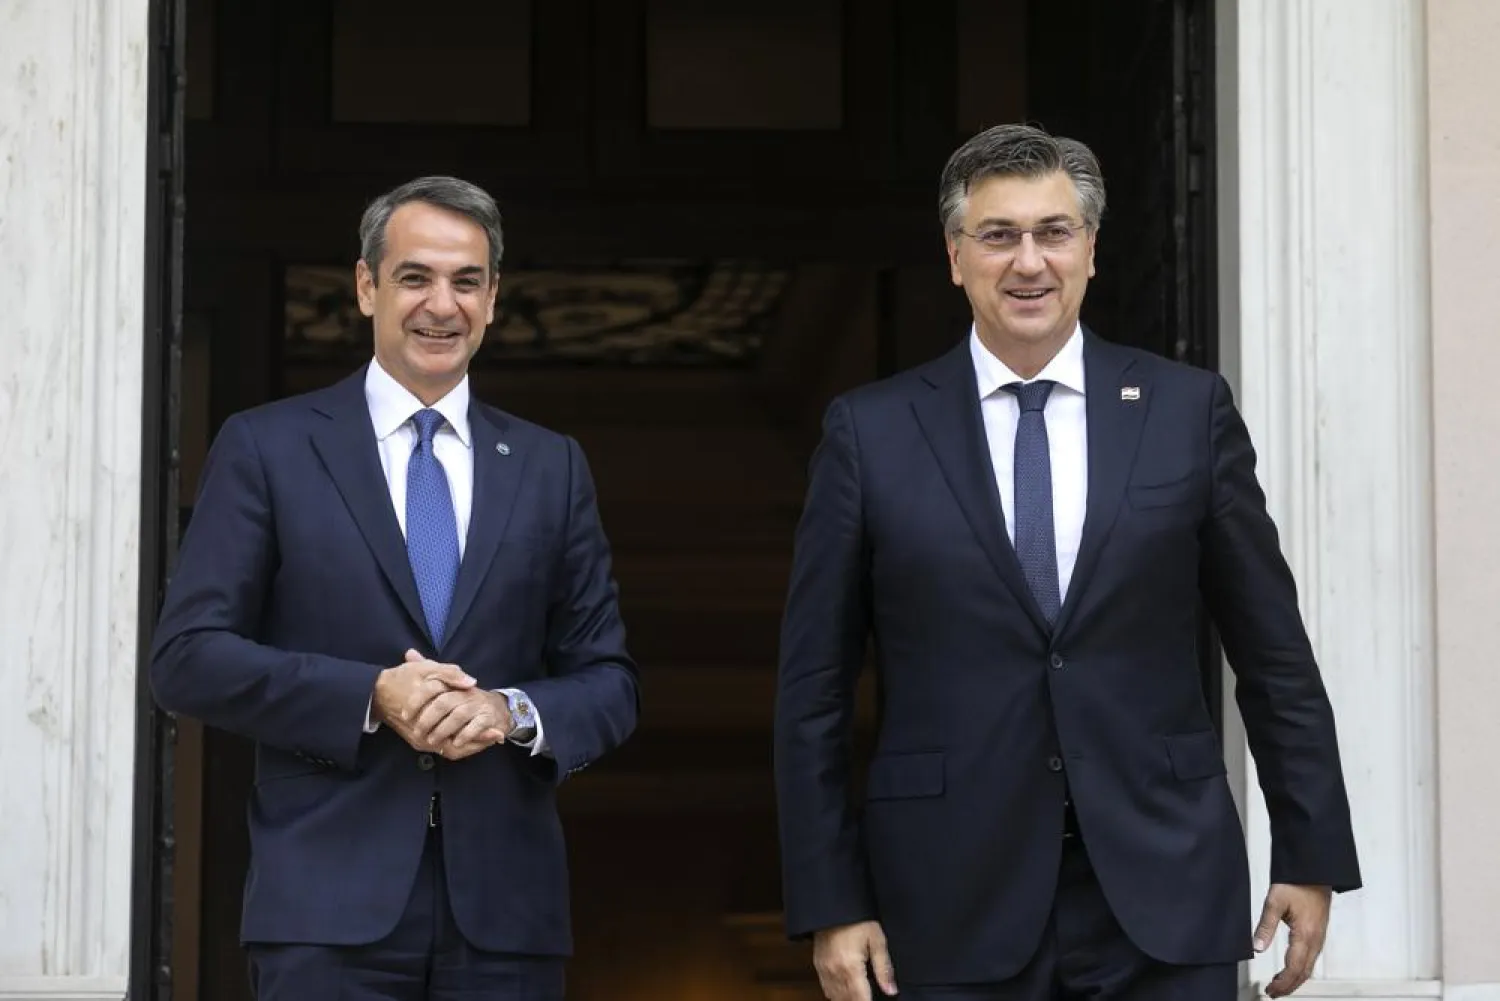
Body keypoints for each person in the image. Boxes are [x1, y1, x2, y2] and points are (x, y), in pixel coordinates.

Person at [772, 124, 1360, 1001]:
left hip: (1165, 888)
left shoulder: (1185, 411)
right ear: (954, 255)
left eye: (1054, 232)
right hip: (946, 895)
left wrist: (1309, 850)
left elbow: (1273, 652)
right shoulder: (871, 431)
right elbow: (813, 687)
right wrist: (831, 899)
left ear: (1090, 249)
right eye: (999, 235)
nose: (1029, 261)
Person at [151, 176, 639, 1000]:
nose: (440, 305)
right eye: (415, 277)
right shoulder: (268, 447)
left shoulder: (552, 466)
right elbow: (187, 657)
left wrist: (507, 711)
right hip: (323, 911)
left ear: (493, 300)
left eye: (466, 281)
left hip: (506, 917)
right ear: (366, 286)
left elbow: (610, 682)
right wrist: (372, 693)